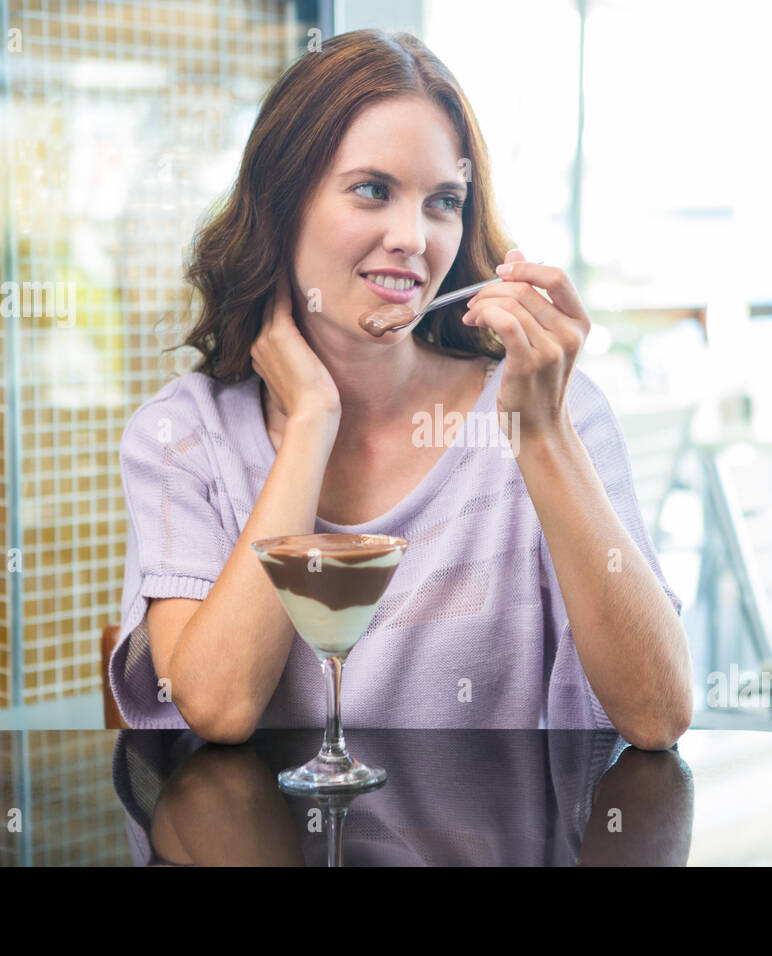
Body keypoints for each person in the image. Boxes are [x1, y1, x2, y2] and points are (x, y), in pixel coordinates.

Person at [111, 29, 693, 749]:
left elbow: (658, 714)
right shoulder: (183, 437)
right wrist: (311, 425)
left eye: (442, 202)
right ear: (281, 203)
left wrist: (540, 436)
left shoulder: (548, 409)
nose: (412, 238)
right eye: (371, 190)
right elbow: (219, 707)